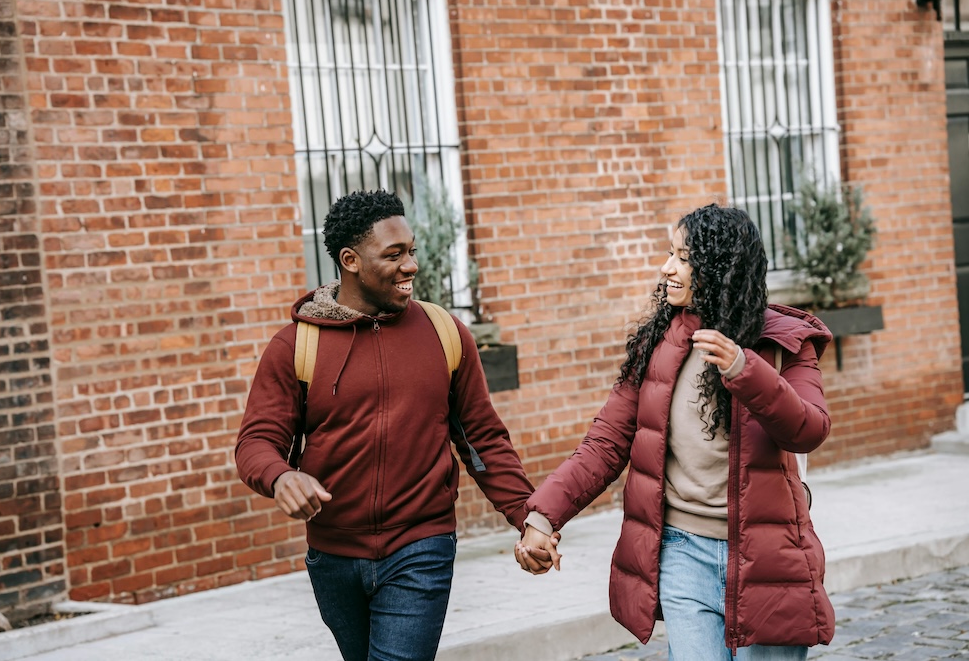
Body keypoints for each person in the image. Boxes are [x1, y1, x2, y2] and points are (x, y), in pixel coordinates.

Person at [235, 189, 546, 661]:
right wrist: (280, 476)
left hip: (421, 545)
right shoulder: (297, 346)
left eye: (412, 251)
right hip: (333, 555)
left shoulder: (445, 334)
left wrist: (529, 517)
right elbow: (257, 441)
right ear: (350, 260)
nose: (411, 266)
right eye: (394, 255)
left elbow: (483, 438)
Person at [515, 204, 836, 660]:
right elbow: (605, 443)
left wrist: (746, 369)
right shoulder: (659, 344)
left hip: (767, 556)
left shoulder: (785, 343)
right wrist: (542, 518)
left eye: (683, 257)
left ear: (719, 266)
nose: (667, 268)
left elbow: (808, 429)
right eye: (671, 253)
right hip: (683, 554)